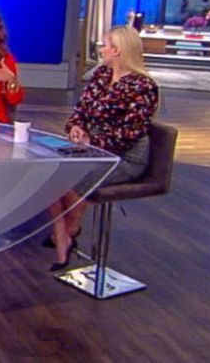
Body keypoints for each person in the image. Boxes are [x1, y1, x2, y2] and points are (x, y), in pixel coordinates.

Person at [47, 26, 159, 271]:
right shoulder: (100, 76)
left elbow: (129, 134)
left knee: (75, 178)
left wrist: (91, 142)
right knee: (50, 172)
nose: (101, 49)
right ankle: (62, 233)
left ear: (117, 50)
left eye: (105, 45)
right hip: (92, 148)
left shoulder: (143, 86)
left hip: (125, 157)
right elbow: (81, 110)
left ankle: (68, 233)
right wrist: (76, 127)